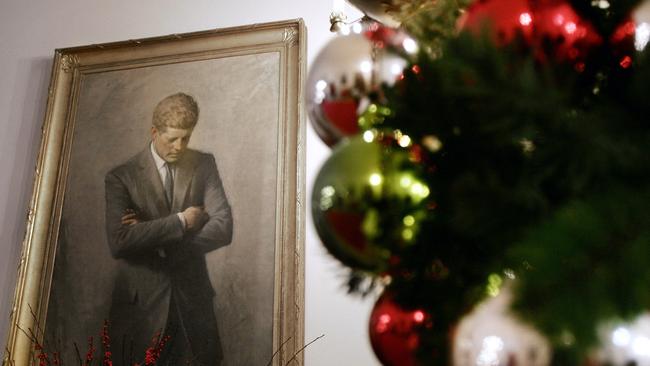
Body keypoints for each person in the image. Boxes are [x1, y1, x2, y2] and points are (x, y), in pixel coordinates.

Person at [104, 92, 233, 365]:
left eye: (186, 138)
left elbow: (223, 226)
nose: (179, 146)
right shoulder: (121, 177)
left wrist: (157, 240)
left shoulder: (204, 164)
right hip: (141, 309)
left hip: (193, 304)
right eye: (171, 138)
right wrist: (182, 222)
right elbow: (120, 241)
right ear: (154, 132)